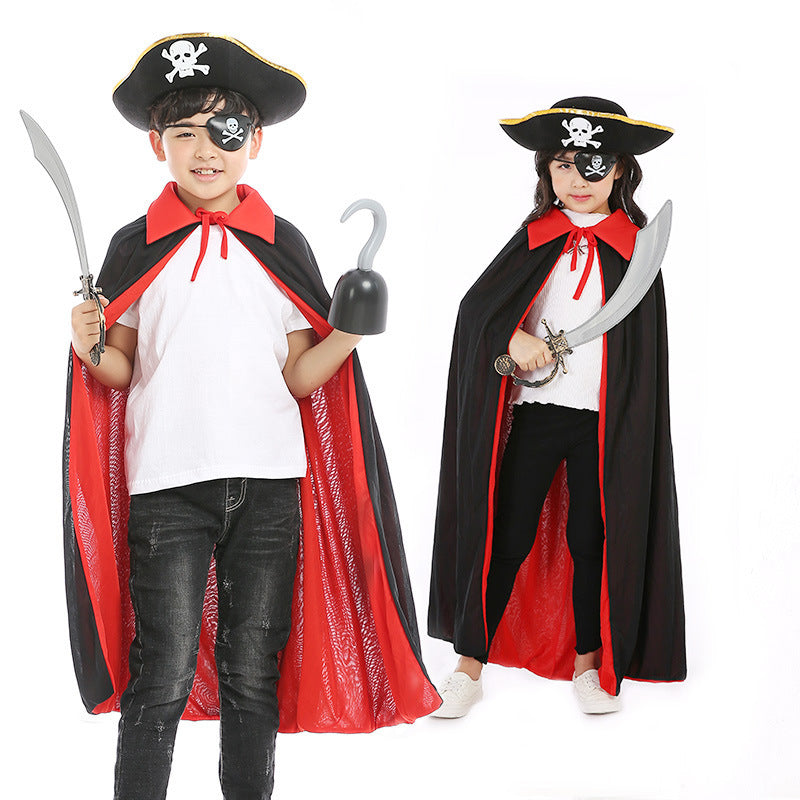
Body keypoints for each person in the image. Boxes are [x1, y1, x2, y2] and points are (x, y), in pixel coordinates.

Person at [65, 34, 439, 800]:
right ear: (156, 145)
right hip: (166, 489)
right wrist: (86, 346)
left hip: (269, 490)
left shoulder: (280, 243)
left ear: (256, 140)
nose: (206, 150)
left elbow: (299, 376)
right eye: (184, 133)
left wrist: (346, 335)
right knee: (162, 669)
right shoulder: (136, 246)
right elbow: (120, 368)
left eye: (225, 130)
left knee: (250, 670)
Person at [428, 96, 685, 718]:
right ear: (546, 170)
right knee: (507, 532)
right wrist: (512, 336)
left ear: (620, 170)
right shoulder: (535, 240)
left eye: (593, 165)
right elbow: (477, 313)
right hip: (539, 411)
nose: (577, 179)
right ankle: (468, 666)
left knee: (594, 538)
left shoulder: (635, 253)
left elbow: (644, 355)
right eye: (563, 164)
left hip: (607, 422)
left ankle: (589, 666)